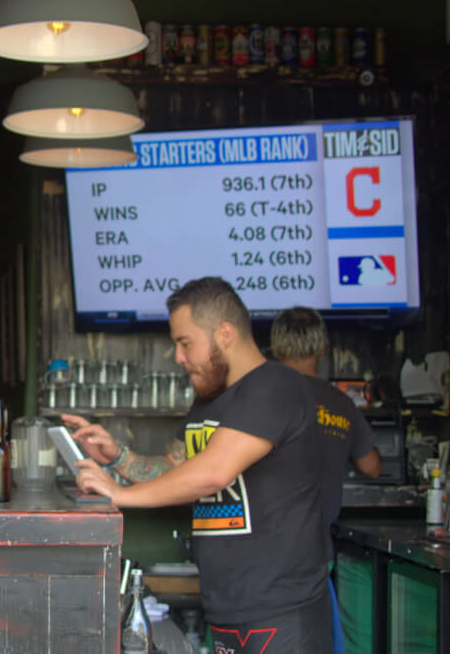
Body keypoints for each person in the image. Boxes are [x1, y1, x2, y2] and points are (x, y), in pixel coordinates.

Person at [67, 277, 331, 654]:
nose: (177, 356)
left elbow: (212, 472)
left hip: (281, 609)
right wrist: (117, 457)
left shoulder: (275, 385)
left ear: (224, 333)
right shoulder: (210, 402)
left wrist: (120, 494)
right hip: (227, 606)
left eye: (185, 342)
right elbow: (177, 467)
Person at [271, 307, 381, 654]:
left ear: (276, 349)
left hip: (261, 556)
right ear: (322, 350)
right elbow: (372, 467)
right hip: (316, 554)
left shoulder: (261, 396)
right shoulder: (340, 404)